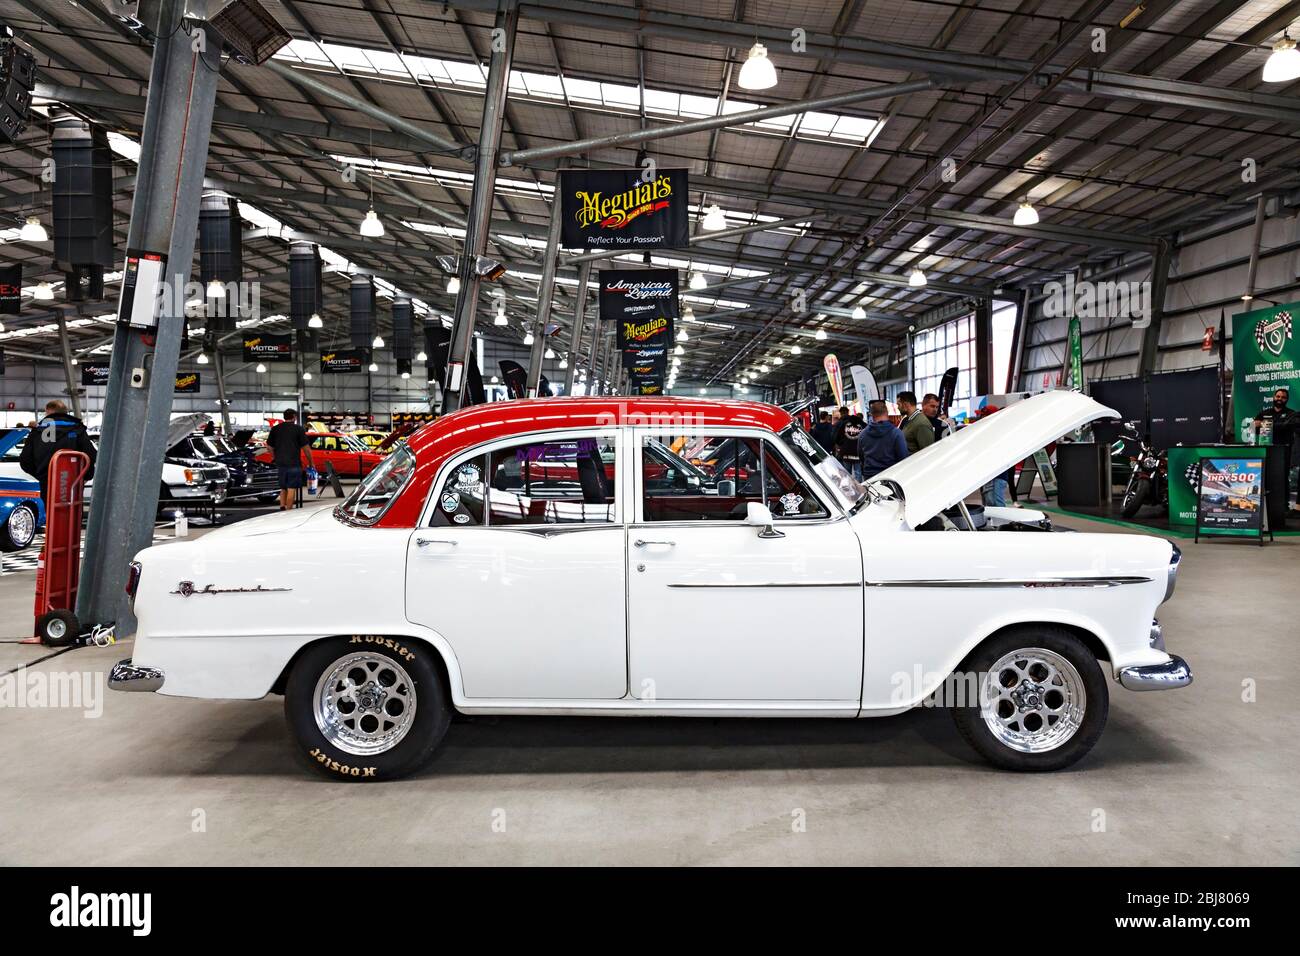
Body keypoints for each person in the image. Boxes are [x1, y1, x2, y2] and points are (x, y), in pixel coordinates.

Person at [20, 400, 96, 506]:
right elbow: (91, 455)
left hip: (48, 483)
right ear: (65, 412)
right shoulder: (77, 430)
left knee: (52, 516)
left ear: (48, 412)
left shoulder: (37, 432)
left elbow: (25, 460)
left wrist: (42, 475)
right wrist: (85, 476)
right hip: (73, 482)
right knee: (72, 517)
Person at [1254, 387, 1298, 512]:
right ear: (1274, 397)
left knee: (1283, 478)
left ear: (1287, 399)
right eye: (1278, 396)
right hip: (1266, 450)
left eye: (1283, 397)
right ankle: (1264, 505)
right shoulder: (1264, 412)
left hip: (1284, 451)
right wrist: (1273, 424)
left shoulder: (1291, 414)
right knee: (1265, 477)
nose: (1280, 399)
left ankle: (1284, 506)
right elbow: (1254, 427)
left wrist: (1265, 424)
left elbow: (1285, 427)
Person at [266, 408, 315, 510]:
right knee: (291, 488)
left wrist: (275, 457)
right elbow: (306, 448)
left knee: (283, 487)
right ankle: (288, 511)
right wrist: (311, 462)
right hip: (294, 463)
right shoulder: (298, 429)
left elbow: (269, 447)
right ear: (294, 417)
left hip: (280, 464)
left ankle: (282, 506)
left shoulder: (275, 429)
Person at [858, 400, 909, 480]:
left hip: (870, 478)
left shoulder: (862, 434)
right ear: (887, 412)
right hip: (891, 478)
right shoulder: (896, 433)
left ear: (871, 414)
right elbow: (903, 458)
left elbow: (861, 457)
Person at [835, 411, 866, 478]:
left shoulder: (844, 424)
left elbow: (838, 437)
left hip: (846, 452)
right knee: (858, 474)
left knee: (846, 474)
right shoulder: (863, 425)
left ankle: (847, 487)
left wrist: (841, 445)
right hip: (858, 453)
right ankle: (858, 488)